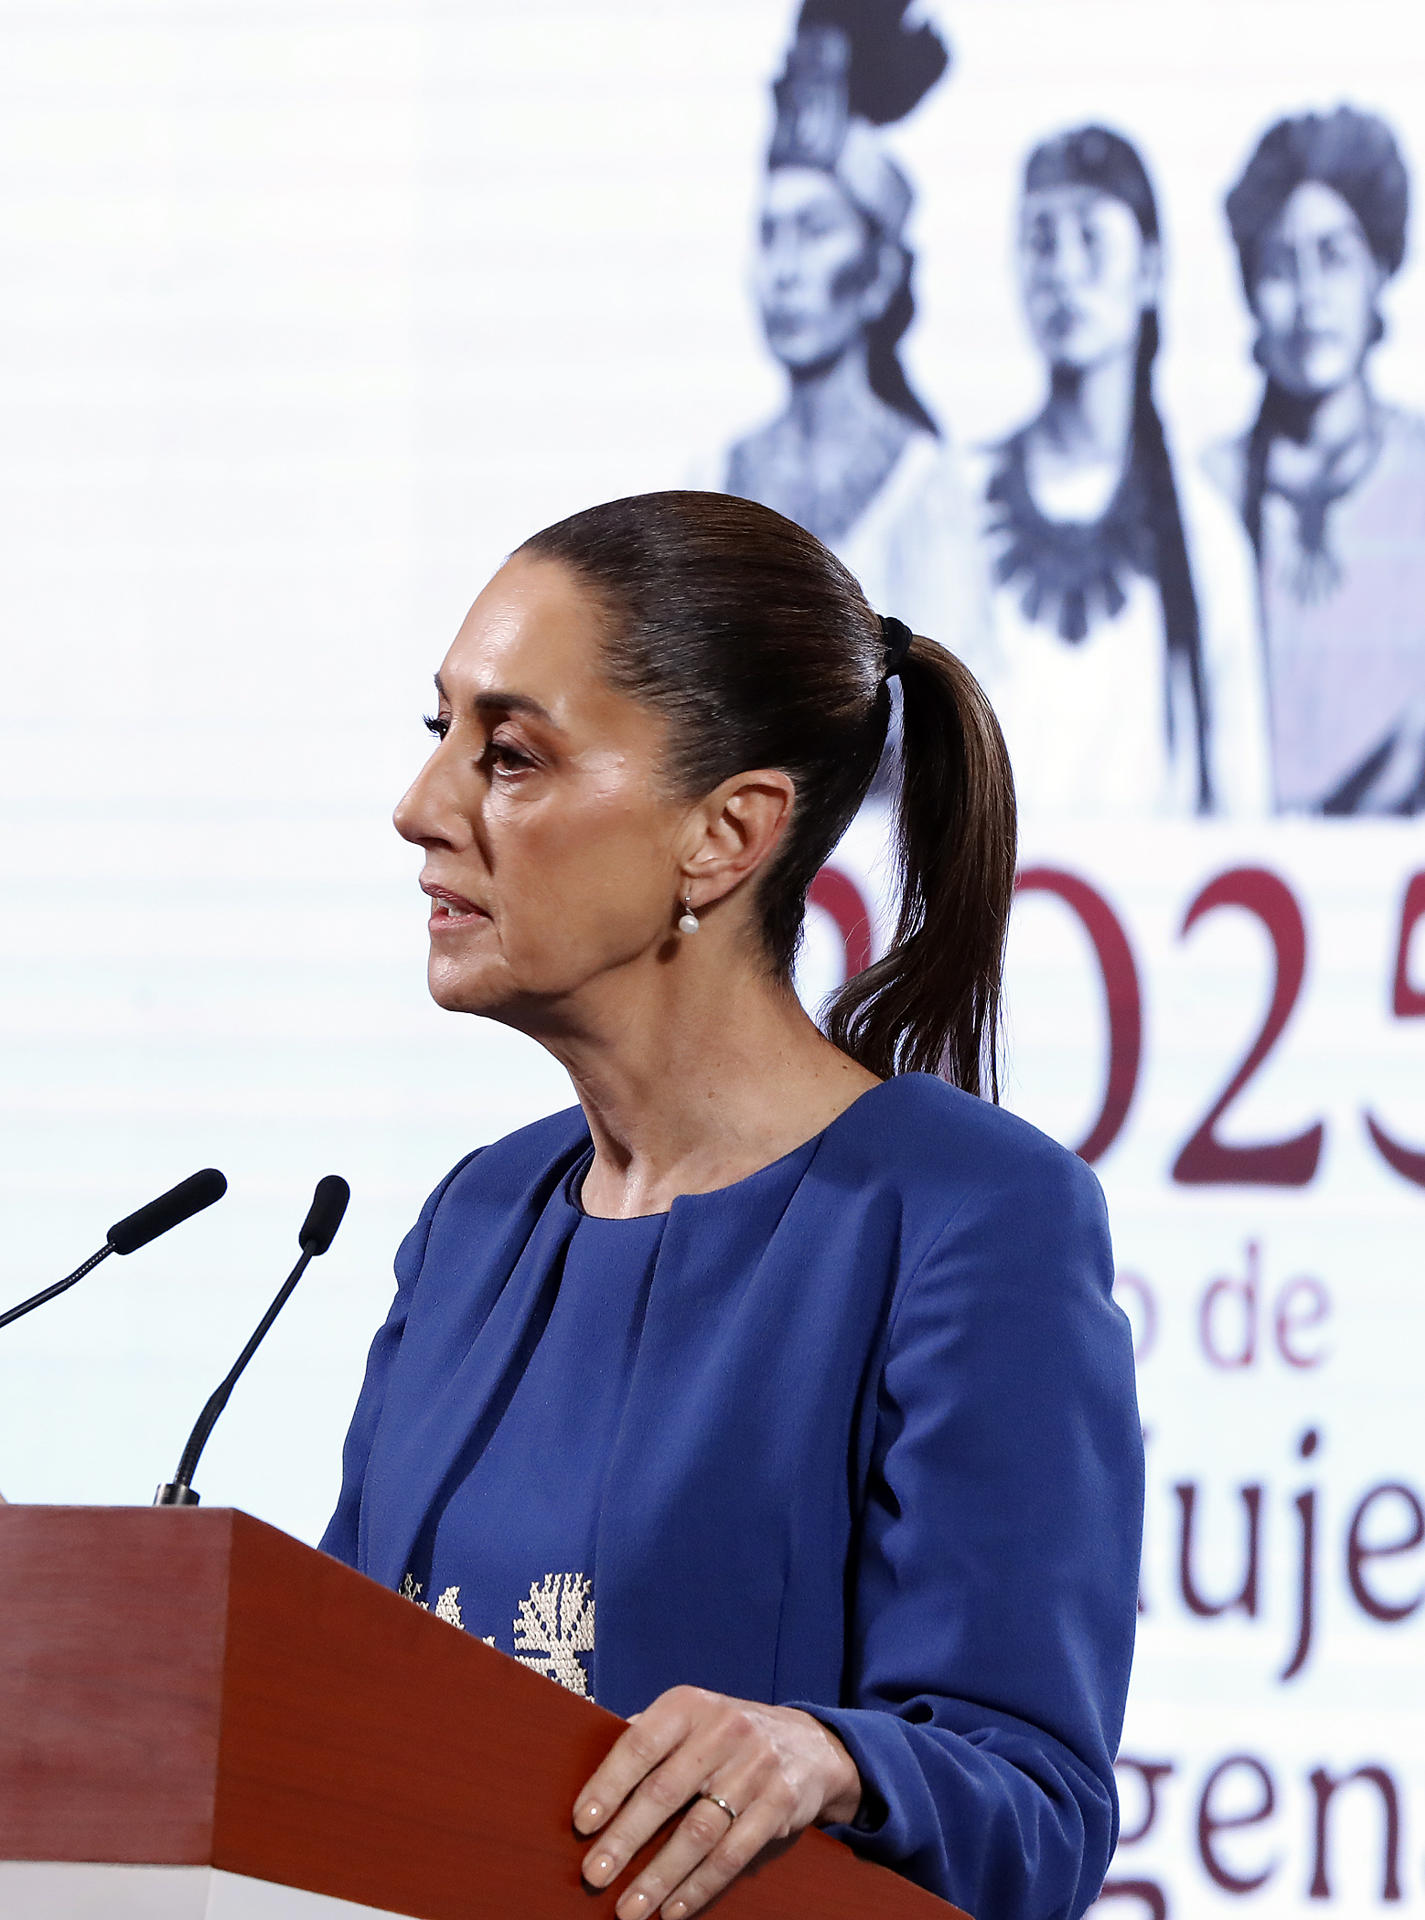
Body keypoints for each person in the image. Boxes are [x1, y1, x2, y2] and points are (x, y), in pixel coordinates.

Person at [321, 490, 1142, 1920]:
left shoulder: (966, 1220)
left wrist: (826, 1754)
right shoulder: (474, 1221)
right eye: (437, 733)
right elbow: (319, 1704)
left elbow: (1036, 1812)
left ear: (725, 835)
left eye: (507, 755)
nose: (422, 807)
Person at [966, 126, 1270, 817]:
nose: (1063, 272)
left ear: (1151, 269)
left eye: (1091, 240)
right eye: (1041, 241)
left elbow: (1241, 808)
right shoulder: (953, 502)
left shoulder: (1204, 535)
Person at [695, 1, 988, 671]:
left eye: (815, 230)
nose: (785, 272)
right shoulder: (710, 480)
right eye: (770, 235)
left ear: (879, 271)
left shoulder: (930, 493)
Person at [1205, 106, 1425, 813]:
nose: (1309, 301)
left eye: (1332, 258)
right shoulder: (1204, 490)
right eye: (1278, 267)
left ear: (1378, 270)